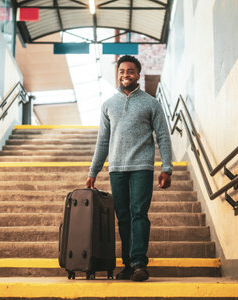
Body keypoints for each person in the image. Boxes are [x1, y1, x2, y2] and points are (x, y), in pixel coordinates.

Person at [85, 55, 173, 281]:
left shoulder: (151, 103)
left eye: (131, 71)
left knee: (138, 214)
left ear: (138, 75)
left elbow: (163, 136)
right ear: (118, 74)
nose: (126, 74)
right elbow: (102, 142)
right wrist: (93, 171)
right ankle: (127, 264)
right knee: (123, 217)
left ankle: (139, 263)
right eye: (122, 71)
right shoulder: (108, 105)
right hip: (116, 169)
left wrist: (167, 167)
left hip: (142, 167)